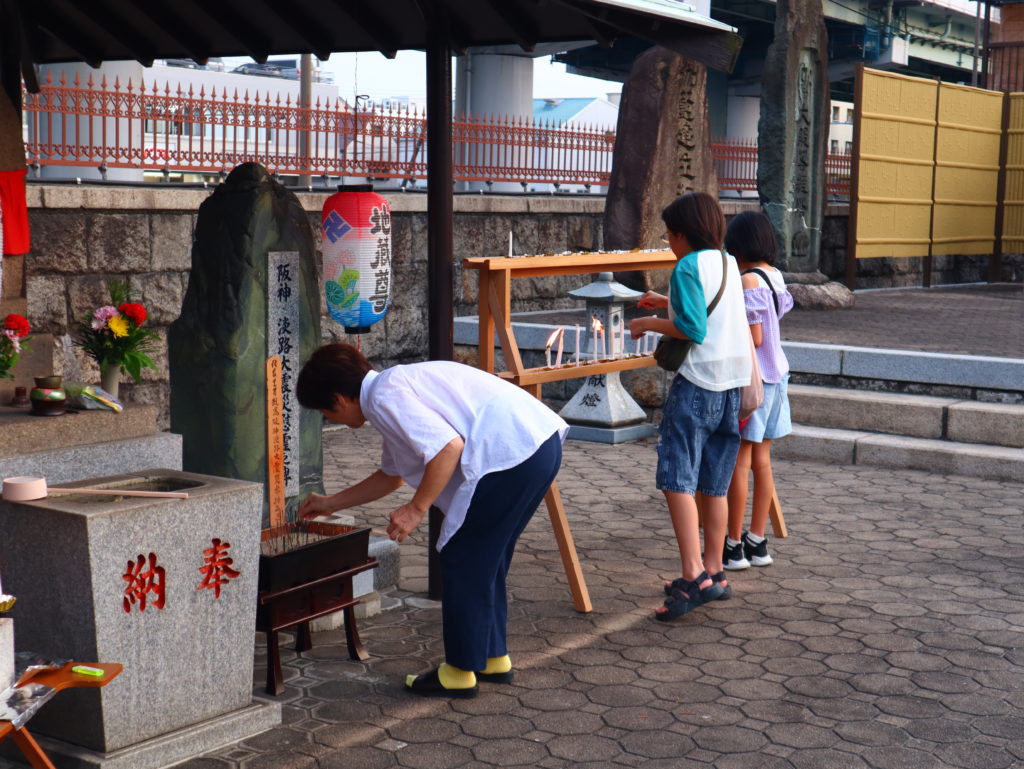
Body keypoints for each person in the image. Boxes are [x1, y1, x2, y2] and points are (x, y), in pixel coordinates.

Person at [296, 343, 567, 698]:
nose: (330, 420)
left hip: (510, 453)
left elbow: (447, 448)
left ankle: (459, 671)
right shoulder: (389, 390)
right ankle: (492, 657)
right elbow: (391, 476)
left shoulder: (384, 396)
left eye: (324, 412)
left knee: (462, 557)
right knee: (486, 558)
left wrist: (416, 509)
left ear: (339, 399)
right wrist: (329, 503)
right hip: (537, 445)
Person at [629, 192, 752, 621]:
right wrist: (664, 302)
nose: (669, 244)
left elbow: (693, 328)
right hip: (731, 386)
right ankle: (715, 572)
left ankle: (692, 574)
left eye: (669, 236)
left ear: (682, 234)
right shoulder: (728, 262)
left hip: (698, 384)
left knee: (677, 479)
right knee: (714, 483)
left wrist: (647, 323)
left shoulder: (685, 266)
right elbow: (715, 315)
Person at [724, 210, 794, 570]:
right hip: (778, 375)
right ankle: (758, 540)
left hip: (756, 380)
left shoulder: (748, 280)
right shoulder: (775, 275)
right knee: (763, 461)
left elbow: (754, 336)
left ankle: (733, 545)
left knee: (741, 461)